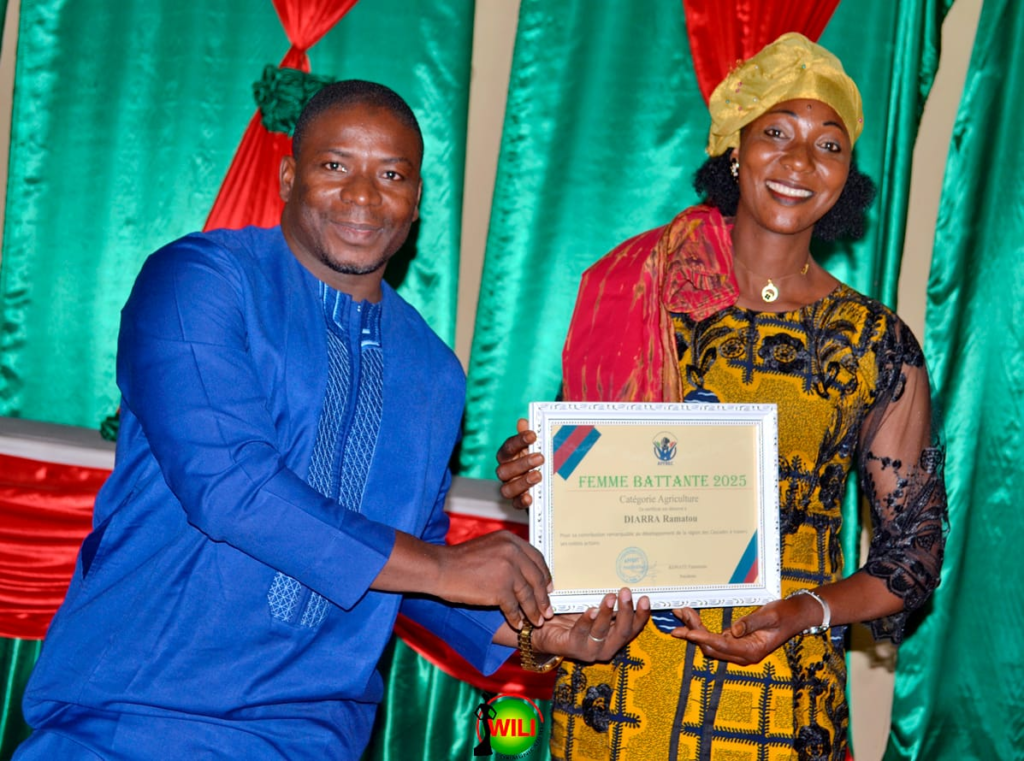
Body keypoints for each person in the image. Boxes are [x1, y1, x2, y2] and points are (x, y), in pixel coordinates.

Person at [15, 80, 649, 760]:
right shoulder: (202, 280)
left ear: (416, 201)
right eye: (335, 165)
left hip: (312, 741)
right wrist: (443, 565)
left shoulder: (434, 372)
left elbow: (404, 561)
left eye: (392, 175)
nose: (364, 196)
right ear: (290, 177)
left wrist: (535, 627)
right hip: (135, 723)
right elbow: (230, 488)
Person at [496, 33, 947, 761]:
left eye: (829, 145)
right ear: (735, 150)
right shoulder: (641, 291)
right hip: (617, 690)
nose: (800, 162)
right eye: (777, 133)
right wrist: (534, 472)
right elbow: (580, 481)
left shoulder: (874, 342)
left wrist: (805, 610)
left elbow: (914, 554)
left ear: (846, 176)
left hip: (777, 701)